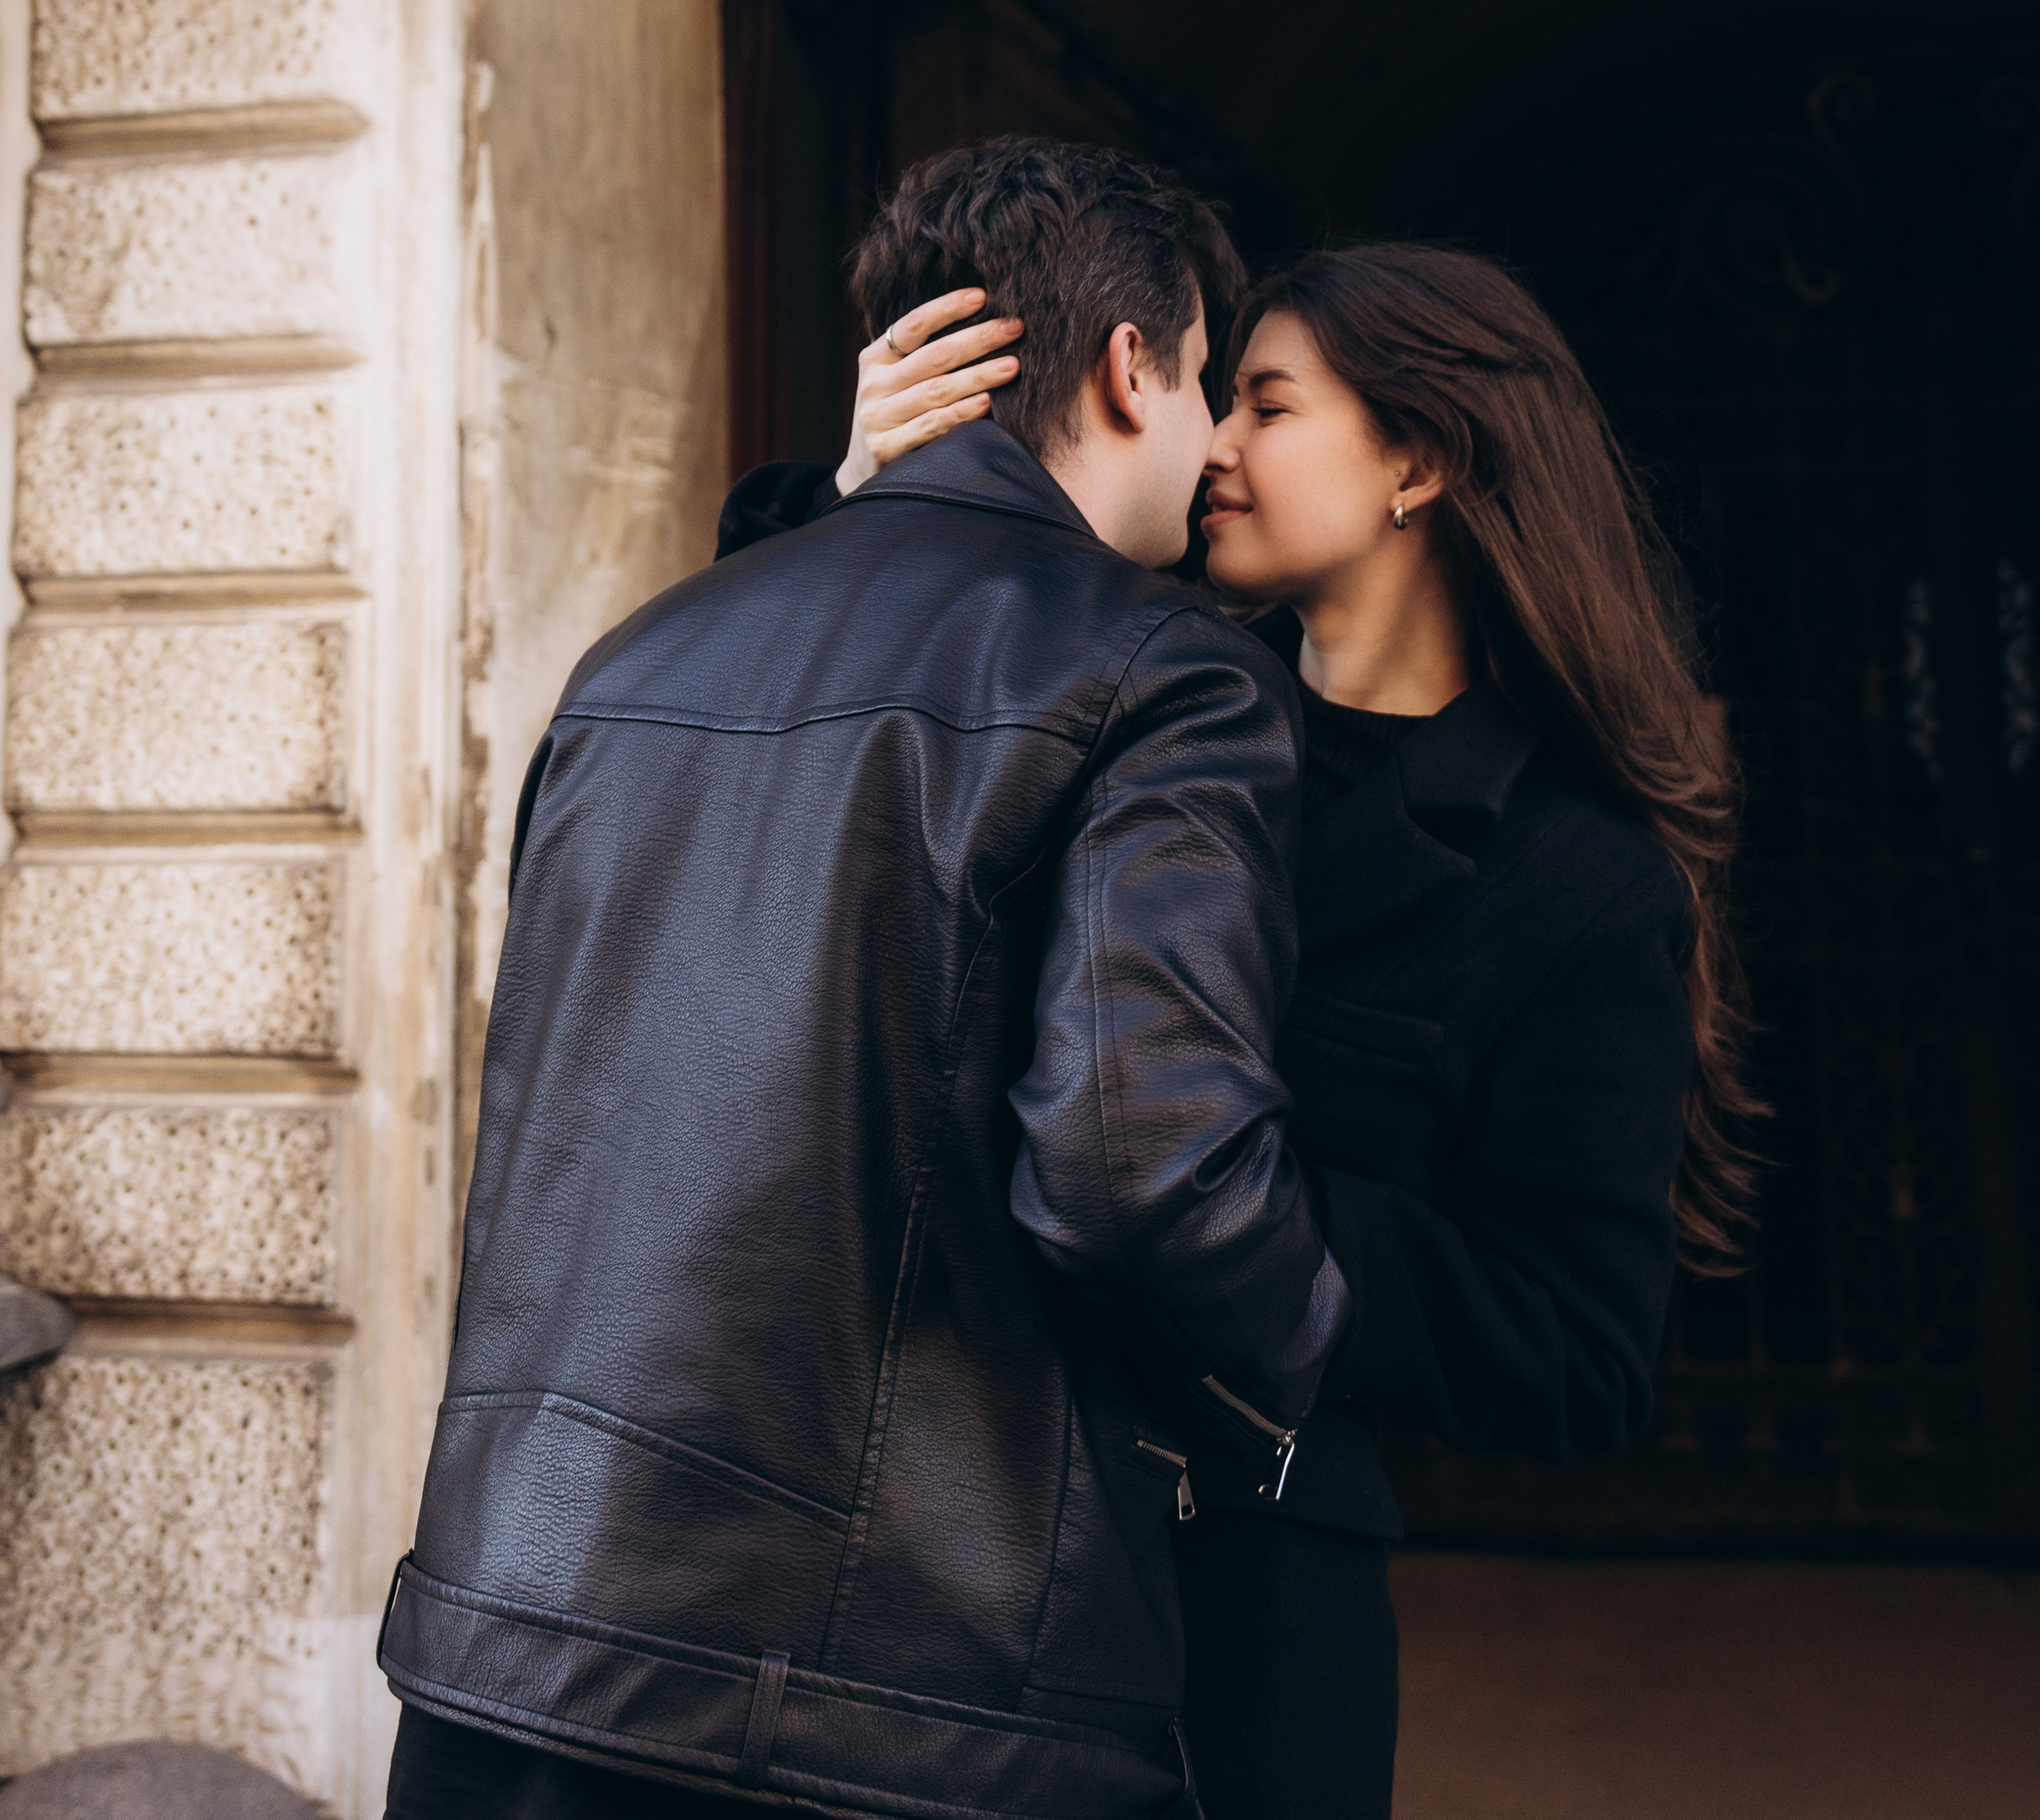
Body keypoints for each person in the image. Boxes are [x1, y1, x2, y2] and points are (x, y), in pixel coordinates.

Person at [381, 137, 1350, 1820]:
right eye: (1208, 386)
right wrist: (1299, 1363)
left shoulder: (638, 658)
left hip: (505, 1657)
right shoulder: (1160, 672)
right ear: (1132, 369)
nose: (1212, 453)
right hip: (897, 1717)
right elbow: (1144, 1167)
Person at [729, 234, 1756, 1820]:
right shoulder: (1124, 695)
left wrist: (1239, 1220)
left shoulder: (1573, 882)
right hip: (935, 1540)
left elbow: (1580, 1352)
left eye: (1267, 404)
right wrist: (876, 508)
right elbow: (816, 781)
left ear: (1418, 460)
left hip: (1244, 1602)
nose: (1212, 443)